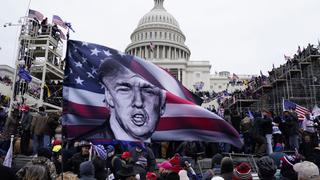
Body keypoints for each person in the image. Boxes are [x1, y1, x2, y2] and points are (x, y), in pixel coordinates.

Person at [98, 58, 166, 142]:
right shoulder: (96, 141)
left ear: (162, 103)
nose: (138, 102)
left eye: (148, 91)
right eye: (125, 90)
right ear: (109, 96)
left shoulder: (164, 146)